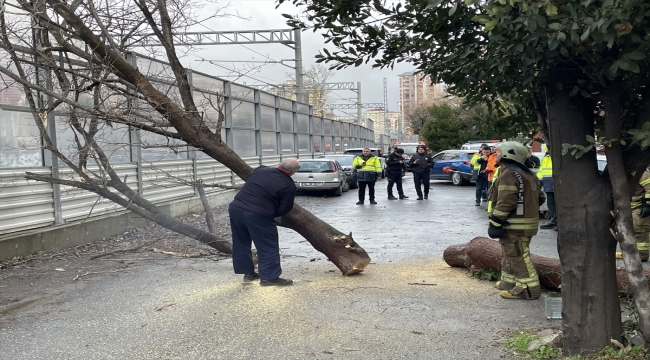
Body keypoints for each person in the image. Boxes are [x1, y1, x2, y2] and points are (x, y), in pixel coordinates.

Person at [487, 141, 546, 300]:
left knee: (518, 255)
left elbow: (506, 201)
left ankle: (527, 289)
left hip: (514, 225)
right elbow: (540, 198)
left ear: (508, 154)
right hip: (525, 223)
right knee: (510, 253)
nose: (496, 154)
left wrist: (496, 221)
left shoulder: (510, 174)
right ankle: (508, 282)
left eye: (499, 152)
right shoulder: (528, 173)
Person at [228, 159, 301, 286]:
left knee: (241, 241)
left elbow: (252, 178)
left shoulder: (261, 170)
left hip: (236, 208)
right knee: (267, 244)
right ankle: (269, 277)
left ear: (279, 164)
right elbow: (285, 208)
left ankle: (248, 273)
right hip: (258, 214)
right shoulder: (288, 185)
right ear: (293, 172)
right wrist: (272, 213)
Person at [616, 167, 650, 261]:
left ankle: (642, 255)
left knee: (640, 231)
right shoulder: (621, 171)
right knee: (626, 231)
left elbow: (649, 188)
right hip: (625, 207)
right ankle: (630, 253)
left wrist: (648, 205)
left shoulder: (642, 172)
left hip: (640, 207)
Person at [537, 147, 556, 230]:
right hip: (548, 182)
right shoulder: (545, 157)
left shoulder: (554, 156)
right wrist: (540, 180)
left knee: (555, 203)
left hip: (554, 181)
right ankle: (554, 220)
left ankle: (556, 221)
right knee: (551, 203)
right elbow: (542, 170)